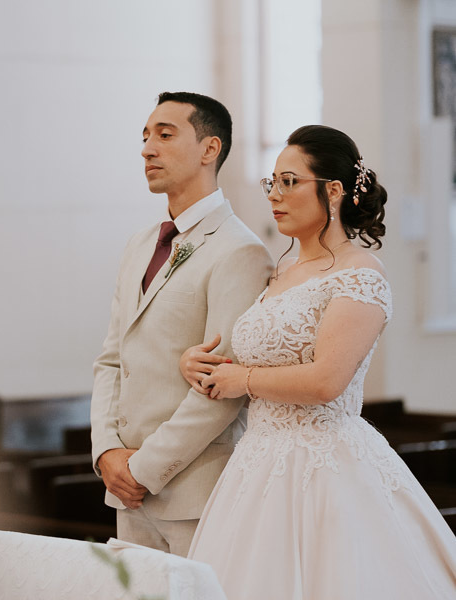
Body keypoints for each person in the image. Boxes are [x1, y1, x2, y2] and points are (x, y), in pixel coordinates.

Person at [184, 125, 456, 599]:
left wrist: (240, 379)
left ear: (332, 191)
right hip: (257, 462)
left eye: (290, 181)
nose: (275, 195)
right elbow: (262, 357)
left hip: (326, 462)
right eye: (273, 182)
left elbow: (328, 379)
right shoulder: (281, 270)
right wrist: (202, 364)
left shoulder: (361, 273)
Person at [90, 91, 273, 556]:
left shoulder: (239, 251)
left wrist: (144, 469)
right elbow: (112, 360)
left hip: (193, 492)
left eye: (165, 135)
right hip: (127, 492)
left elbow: (220, 390)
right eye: (145, 136)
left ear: (210, 149)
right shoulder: (140, 244)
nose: (148, 148)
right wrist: (107, 452)